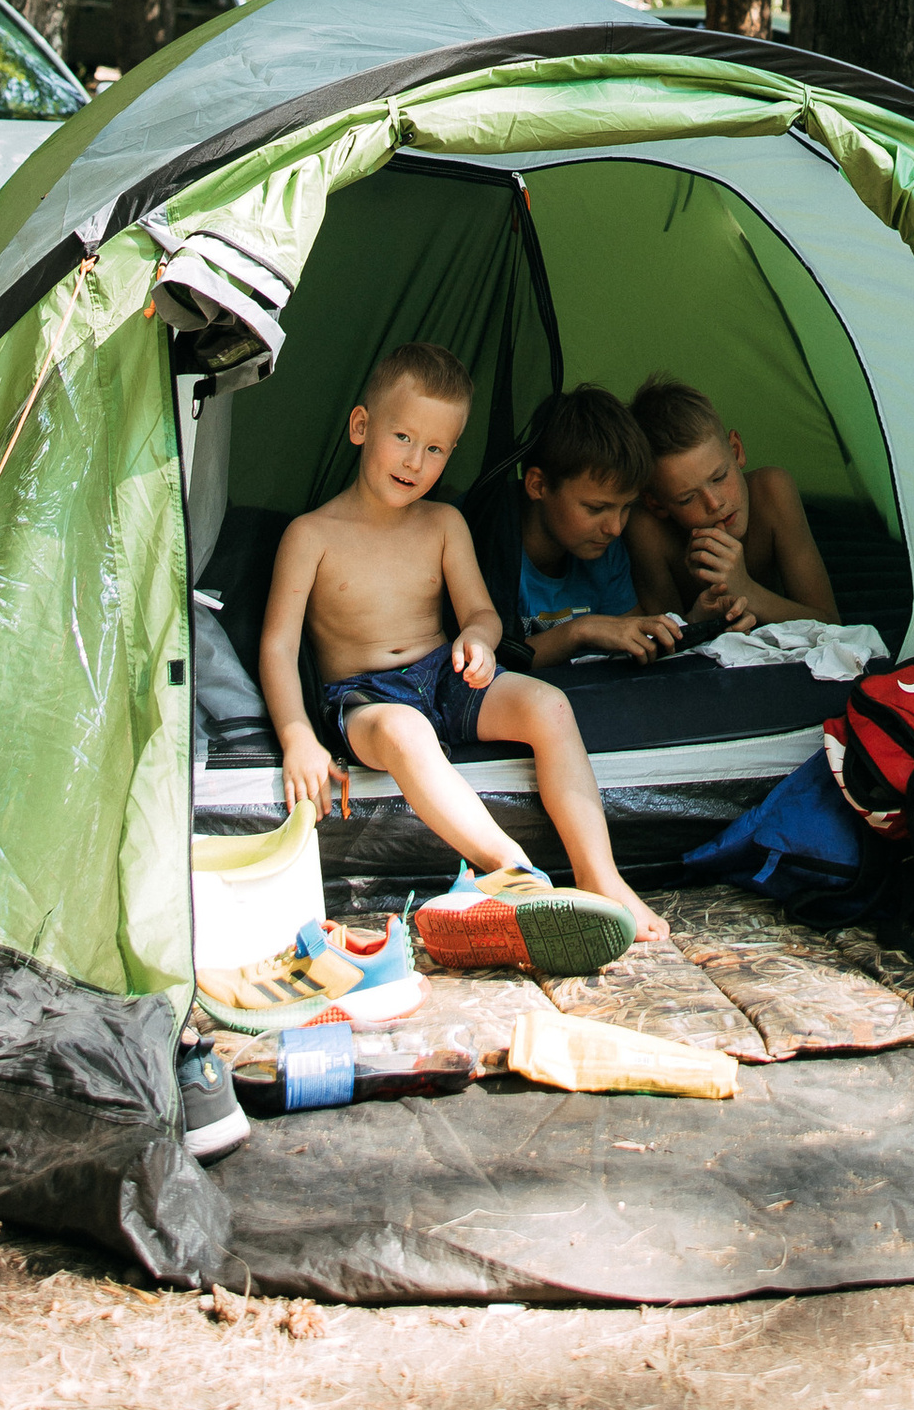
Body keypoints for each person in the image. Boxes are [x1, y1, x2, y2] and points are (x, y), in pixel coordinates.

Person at [257, 337, 664, 955]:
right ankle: (511, 870)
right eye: (403, 438)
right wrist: (297, 739)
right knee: (406, 734)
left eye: (436, 449)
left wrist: (478, 638)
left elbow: (481, 613)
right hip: (365, 700)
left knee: (548, 705)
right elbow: (278, 645)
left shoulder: (445, 525)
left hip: (445, 677)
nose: (415, 461)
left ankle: (600, 876)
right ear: (362, 426)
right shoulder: (311, 535)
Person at [627, 373, 839, 628]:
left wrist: (744, 589)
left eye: (719, 477)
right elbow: (663, 639)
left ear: (736, 450)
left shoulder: (772, 491)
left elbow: (829, 621)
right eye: (687, 499)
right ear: (656, 504)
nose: (714, 504)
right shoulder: (647, 530)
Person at [507, 385, 685, 667]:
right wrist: (579, 631)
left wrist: (699, 624)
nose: (615, 528)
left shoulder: (605, 550)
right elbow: (475, 666)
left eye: (626, 507)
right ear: (538, 485)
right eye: (596, 508)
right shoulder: (484, 540)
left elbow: (633, 639)